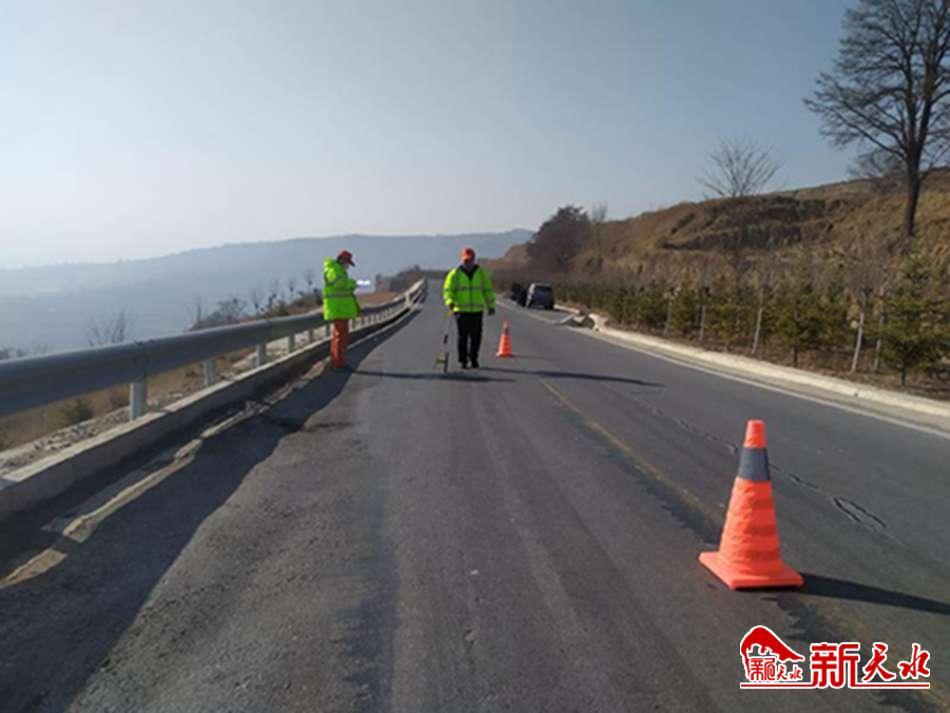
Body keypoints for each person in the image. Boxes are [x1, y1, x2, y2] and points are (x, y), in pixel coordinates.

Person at [443, 247, 495, 368]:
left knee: (476, 336)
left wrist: (491, 306)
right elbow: (448, 290)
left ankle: (473, 358)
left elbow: (487, 290)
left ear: (474, 260)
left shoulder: (481, 273)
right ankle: (463, 360)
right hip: (461, 311)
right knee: (463, 336)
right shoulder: (455, 274)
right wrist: (450, 301)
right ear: (462, 260)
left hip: (477, 311)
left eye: (470, 260)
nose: (468, 263)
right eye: (466, 260)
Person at [323, 250, 359, 369]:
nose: (348, 266)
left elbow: (342, 286)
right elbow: (339, 284)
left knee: (341, 336)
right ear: (342, 260)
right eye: (347, 263)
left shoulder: (339, 271)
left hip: (341, 309)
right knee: (340, 336)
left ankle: (339, 361)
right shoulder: (333, 270)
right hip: (337, 308)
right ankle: (337, 363)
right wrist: (352, 283)